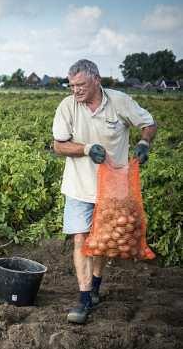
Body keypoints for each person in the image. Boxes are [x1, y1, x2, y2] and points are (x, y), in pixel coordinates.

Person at [52, 59, 157, 324]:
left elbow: (149, 123)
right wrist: (86, 149)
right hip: (79, 186)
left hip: (113, 188)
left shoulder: (120, 102)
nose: (75, 91)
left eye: (81, 85)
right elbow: (58, 146)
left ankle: (95, 286)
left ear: (96, 79)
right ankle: (84, 298)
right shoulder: (67, 106)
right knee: (81, 240)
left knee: (101, 242)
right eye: (72, 85)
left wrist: (144, 141)